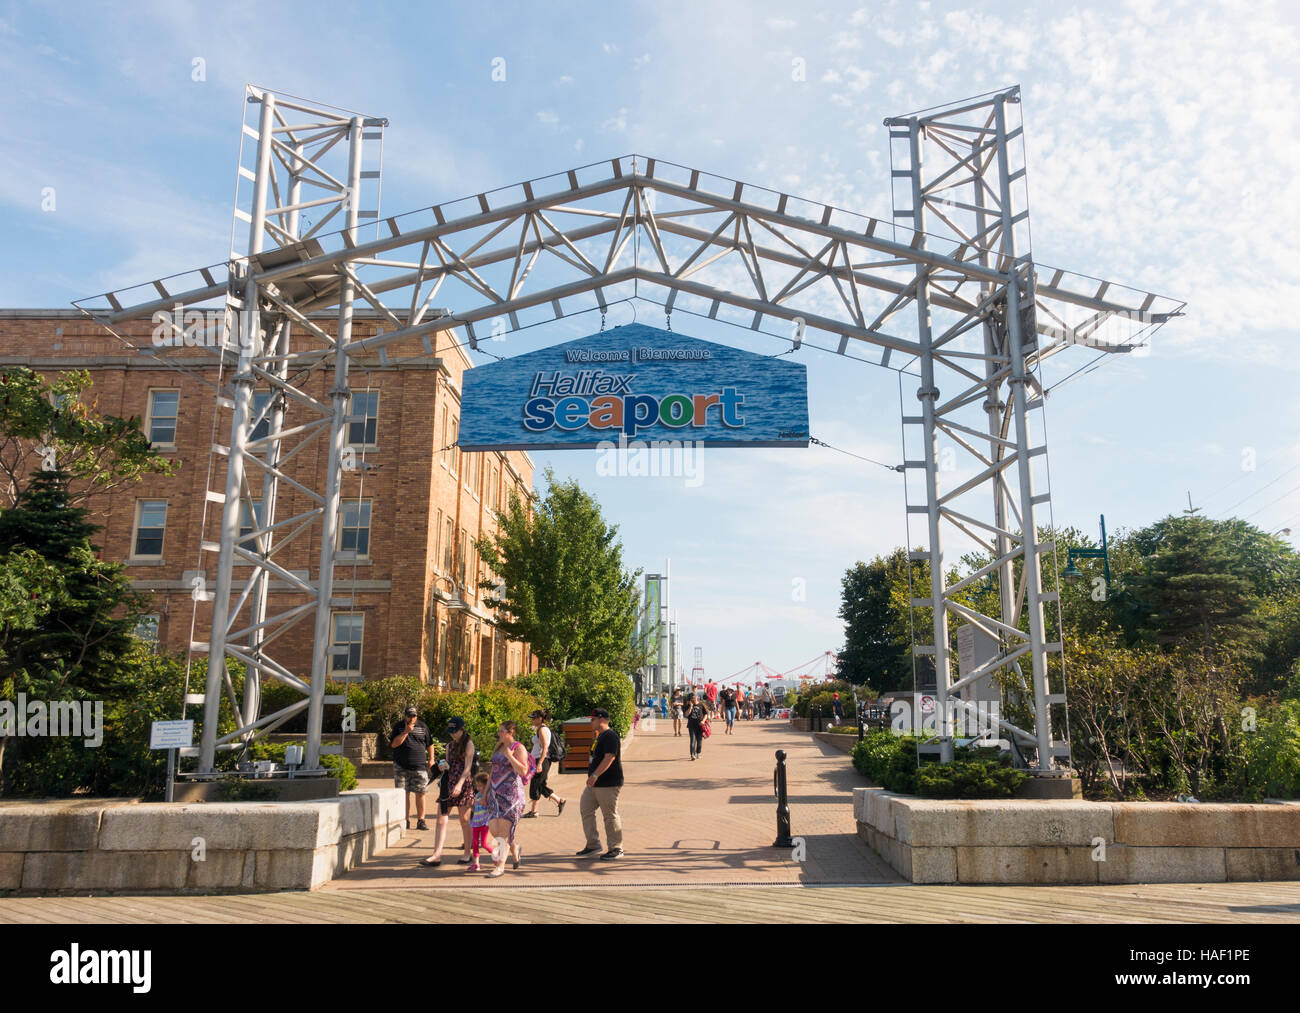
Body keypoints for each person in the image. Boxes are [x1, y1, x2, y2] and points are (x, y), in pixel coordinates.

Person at [420, 716, 476, 867]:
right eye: (450, 731)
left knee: (464, 820)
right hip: (448, 783)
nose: (452, 734)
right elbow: (449, 764)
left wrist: (460, 784)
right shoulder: (449, 746)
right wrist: (442, 766)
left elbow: (468, 768)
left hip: (463, 784)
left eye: (454, 731)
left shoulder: (468, 744)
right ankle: (436, 855)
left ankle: (467, 853)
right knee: (440, 819)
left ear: (461, 729)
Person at [576, 708, 624, 860]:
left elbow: (609, 757)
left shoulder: (610, 736)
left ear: (601, 720)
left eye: (593, 719)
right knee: (586, 809)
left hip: (608, 783)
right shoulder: (600, 736)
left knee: (609, 815)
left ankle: (616, 848)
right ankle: (593, 844)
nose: (591, 722)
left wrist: (595, 775)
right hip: (594, 784)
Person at [485, 721, 530, 877]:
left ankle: (501, 866)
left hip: (511, 796)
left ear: (511, 732)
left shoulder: (518, 748)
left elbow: (523, 770)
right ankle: (515, 849)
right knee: (494, 830)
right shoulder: (499, 747)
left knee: (503, 832)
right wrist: (485, 793)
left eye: (502, 731)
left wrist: (511, 757)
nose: (499, 733)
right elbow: (492, 771)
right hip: (494, 794)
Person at [390, 706, 434, 831]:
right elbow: (394, 744)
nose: (412, 718)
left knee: (421, 793)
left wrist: (431, 759)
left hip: (419, 766)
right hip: (401, 766)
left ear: (417, 716)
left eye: (414, 716)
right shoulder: (398, 727)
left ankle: (421, 821)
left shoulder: (423, 726)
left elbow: (430, 744)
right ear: (405, 716)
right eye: (409, 715)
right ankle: (405, 820)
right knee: (404, 794)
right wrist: (406, 732)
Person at [524, 709, 567, 818]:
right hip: (538, 760)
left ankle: (536, 810)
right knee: (539, 784)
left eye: (533, 718)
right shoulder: (540, 729)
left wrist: (539, 764)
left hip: (542, 760)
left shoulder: (542, 730)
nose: (532, 720)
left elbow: (545, 748)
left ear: (540, 718)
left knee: (536, 784)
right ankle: (557, 801)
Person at [466, 771, 492, 873]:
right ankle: (476, 864)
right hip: (476, 821)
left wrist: (485, 803)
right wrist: (471, 806)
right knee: (475, 843)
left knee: (484, 844)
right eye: (477, 785)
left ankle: (496, 855)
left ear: (487, 785)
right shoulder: (477, 795)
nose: (478, 788)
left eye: (480, 786)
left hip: (485, 822)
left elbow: (490, 808)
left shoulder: (489, 795)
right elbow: (476, 810)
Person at [684, 692, 707, 760]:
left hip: (700, 725)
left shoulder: (701, 705)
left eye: (693, 697)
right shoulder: (688, 705)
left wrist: (703, 721)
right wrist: (691, 707)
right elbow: (686, 714)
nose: (692, 699)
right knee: (692, 740)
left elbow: (705, 714)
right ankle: (692, 755)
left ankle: (698, 753)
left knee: (699, 741)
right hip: (691, 725)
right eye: (691, 698)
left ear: (696, 697)